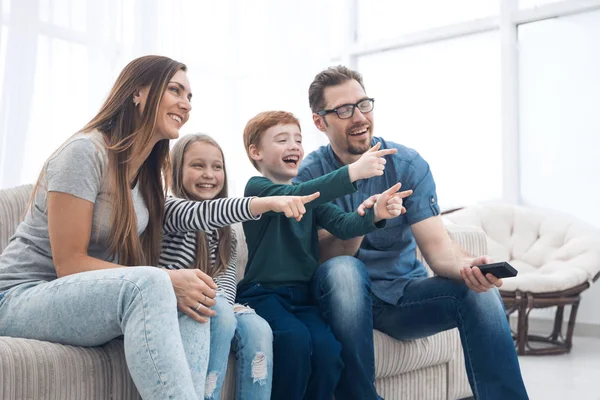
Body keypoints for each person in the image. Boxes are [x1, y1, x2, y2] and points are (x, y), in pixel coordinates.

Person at [294, 65, 529, 400]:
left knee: (481, 293)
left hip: (399, 297)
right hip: (339, 298)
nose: (359, 117)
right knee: (345, 271)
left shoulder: (405, 165)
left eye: (364, 104)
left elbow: (439, 250)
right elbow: (319, 260)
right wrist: (364, 221)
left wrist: (470, 267)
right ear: (320, 121)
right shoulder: (311, 176)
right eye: (344, 110)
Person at [0, 55, 216, 400]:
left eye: (190, 96)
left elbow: (190, 215)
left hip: (81, 299)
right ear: (137, 93)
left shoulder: (144, 174)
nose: (185, 104)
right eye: (175, 90)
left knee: (195, 301)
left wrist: (263, 204)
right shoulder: (85, 151)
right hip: (18, 298)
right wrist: (163, 280)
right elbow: (69, 264)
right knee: (155, 282)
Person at [236, 110, 412, 400]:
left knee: (329, 352)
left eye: (298, 139)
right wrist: (353, 171)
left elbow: (345, 225)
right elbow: (300, 194)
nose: (294, 146)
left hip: (303, 298)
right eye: (282, 139)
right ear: (256, 152)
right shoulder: (257, 190)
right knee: (294, 342)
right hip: (263, 295)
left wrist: (374, 213)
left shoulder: (311, 198)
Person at [161, 133, 321, 399]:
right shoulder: (170, 209)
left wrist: (225, 300)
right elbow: (202, 215)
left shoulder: (227, 232)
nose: (208, 174)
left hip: (215, 300)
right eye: (197, 166)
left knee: (258, 327)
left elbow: (225, 276)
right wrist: (266, 203)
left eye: (217, 167)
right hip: (174, 303)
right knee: (221, 313)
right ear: (177, 170)